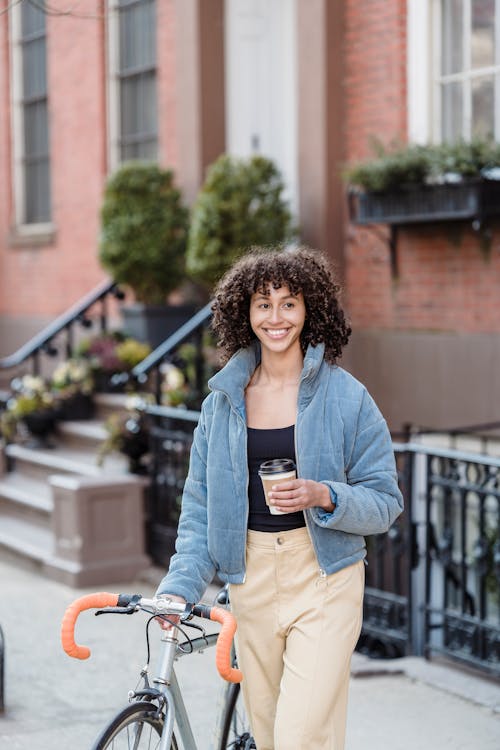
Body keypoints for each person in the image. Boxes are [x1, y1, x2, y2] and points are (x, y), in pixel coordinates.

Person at [156, 246, 403, 750]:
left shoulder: (347, 396)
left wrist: (324, 494)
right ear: (244, 314)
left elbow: (384, 501)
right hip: (251, 581)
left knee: (299, 736)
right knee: (269, 738)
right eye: (263, 304)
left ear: (310, 309)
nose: (276, 317)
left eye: (289, 303)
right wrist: (180, 587)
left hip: (325, 578)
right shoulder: (222, 403)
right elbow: (200, 510)